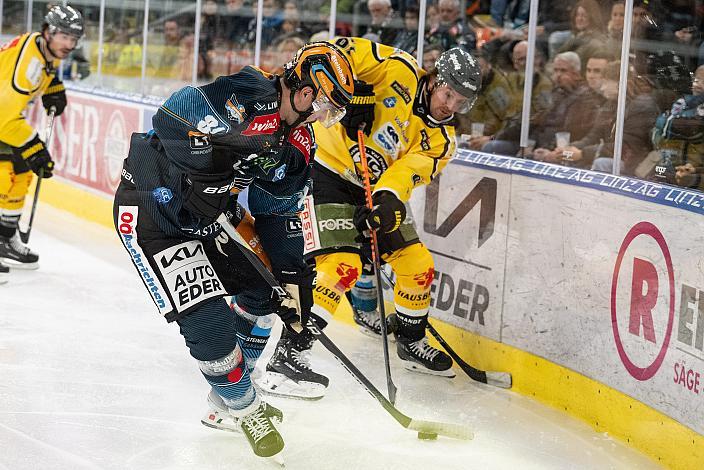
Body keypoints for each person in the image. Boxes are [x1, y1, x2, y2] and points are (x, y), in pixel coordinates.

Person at [113, 42, 354, 459]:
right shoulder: (250, 92)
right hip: (155, 211)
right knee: (208, 324)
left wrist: (294, 279)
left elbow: (277, 213)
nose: (321, 117)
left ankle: (225, 401)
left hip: (210, 220)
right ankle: (246, 406)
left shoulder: (297, 143)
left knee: (266, 290)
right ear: (305, 92)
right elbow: (171, 115)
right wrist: (207, 171)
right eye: (325, 106)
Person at [248, 38, 481, 400]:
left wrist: (387, 199)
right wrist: (350, 96)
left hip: (375, 190)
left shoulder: (443, 140)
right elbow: (329, 53)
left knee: (417, 263)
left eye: (460, 102)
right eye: (447, 94)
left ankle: (410, 340)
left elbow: (406, 172)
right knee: (343, 266)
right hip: (326, 172)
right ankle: (289, 353)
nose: (449, 106)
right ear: (435, 79)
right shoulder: (396, 66)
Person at [0, 5, 82, 283]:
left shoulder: (46, 49)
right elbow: (4, 118)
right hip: (3, 117)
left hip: (6, 115)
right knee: (2, 176)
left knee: (20, 173)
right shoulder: (29, 65)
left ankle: (5, 238)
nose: (69, 45)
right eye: (65, 37)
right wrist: (34, 147)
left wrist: (53, 86)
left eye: (74, 39)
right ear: (49, 31)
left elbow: (47, 70)